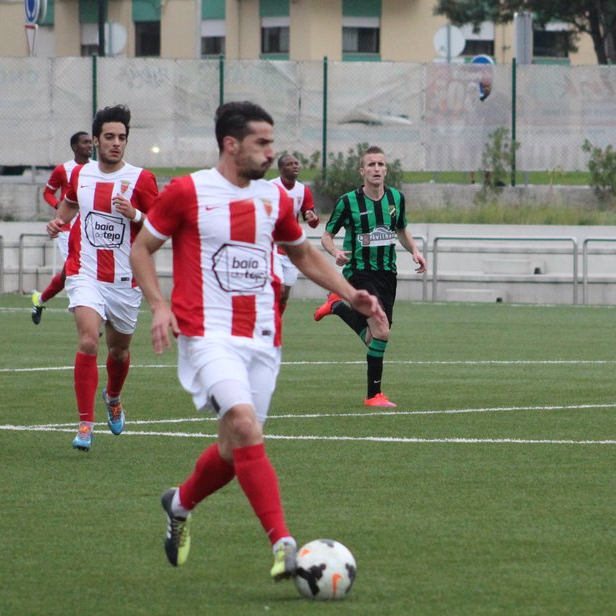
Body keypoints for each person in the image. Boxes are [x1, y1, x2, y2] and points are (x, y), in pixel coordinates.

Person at [129, 101, 386, 580]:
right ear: (231, 144)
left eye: (272, 142)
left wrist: (351, 294)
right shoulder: (187, 191)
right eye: (262, 143)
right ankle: (283, 544)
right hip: (207, 335)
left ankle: (179, 504)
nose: (272, 153)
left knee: (233, 450)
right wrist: (159, 305)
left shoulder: (273, 200)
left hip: (263, 338)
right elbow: (142, 248)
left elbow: (303, 255)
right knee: (246, 428)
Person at [46, 105, 159, 450]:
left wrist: (135, 214)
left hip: (125, 280)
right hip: (85, 272)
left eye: (121, 137)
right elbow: (69, 203)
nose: (116, 143)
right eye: (109, 137)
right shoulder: (81, 175)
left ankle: (112, 397)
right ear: (95, 141)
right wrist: (59, 222)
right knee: (88, 342)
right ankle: (85, 424)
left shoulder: (141, 179)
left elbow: (161, 225)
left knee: (119, 352)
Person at [314, 145, 426, 408]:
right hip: (359, 273)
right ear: (362, 171)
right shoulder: (347, 202)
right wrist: (336, 252)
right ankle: (373, 395)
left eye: (381, 164)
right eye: (371, 164)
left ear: (386, 170)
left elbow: (401, 230)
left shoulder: (396, 199)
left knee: (374, 336)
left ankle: (337, 306)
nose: (377, 169)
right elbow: (326, 236)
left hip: (387, 274)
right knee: (382, 329)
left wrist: (415, 251)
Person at [31, 131, 94, 324]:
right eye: (85, 142)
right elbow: (47, 193)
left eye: (91, 142)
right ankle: (89, 318)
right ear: (75, 147)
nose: (90, 146)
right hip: (67, 230)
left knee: (70, 273)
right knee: (76, 272)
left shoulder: (96, 169)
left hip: (89, 228)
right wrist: (59, 206)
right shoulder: (63, 169)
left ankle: (40, 299)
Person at [269, 153, 320, 314]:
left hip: (291, 250)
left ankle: (276, 322)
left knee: (285, 295)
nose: (295, 166)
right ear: (281, 168)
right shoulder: (270, 187)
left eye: (296, 163)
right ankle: (269, 324)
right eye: (290, 164)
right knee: (279, 289)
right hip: (272, 247)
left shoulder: (303, 190)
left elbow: (312, 221)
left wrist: (313, 217)